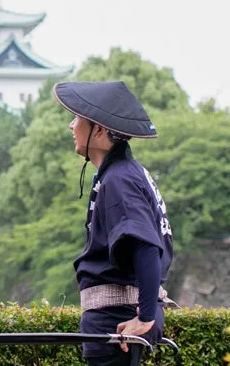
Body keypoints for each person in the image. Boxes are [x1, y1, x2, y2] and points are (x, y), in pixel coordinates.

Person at [53, 81, 175, 366]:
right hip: (115, 320)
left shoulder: (120, 179)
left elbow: (145, 245)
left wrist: (144, 318)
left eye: (78, 119)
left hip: (117, 323)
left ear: (99, 130)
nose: (71, 126)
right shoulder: (124, 173)